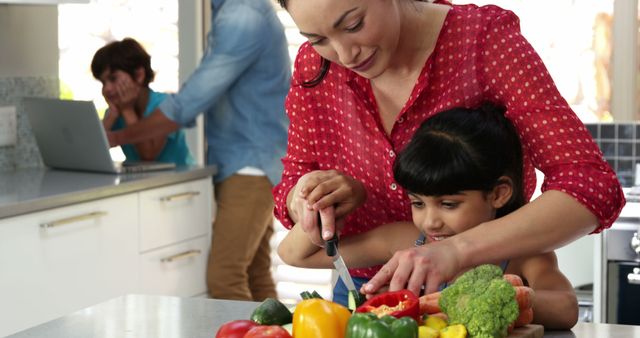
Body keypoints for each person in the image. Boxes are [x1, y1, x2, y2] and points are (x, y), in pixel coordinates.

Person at [272, 0, 625, 299]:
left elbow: (590, 187)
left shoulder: (483, 41)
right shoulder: (315, 66)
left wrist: (456, 251)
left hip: (480, 286)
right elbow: (292, 190)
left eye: (354, 24)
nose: (345, 55)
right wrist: (312, 196)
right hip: (363, 292)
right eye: (317, 38)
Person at [277, 103, 578, 329]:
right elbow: (294, 255)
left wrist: (504, 298)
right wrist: (324, 200)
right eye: (418, 203)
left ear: (499, 194)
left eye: (448, 204)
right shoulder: (409, 240)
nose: (430, 221)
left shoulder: (521, 254)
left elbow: (567, 308)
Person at [106, 0, 291, 301]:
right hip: (251, 160)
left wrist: (117, 137)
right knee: (255, 274)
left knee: (224, 277)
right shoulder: (232, 11)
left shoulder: (241, 15)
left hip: (250, 165)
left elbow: (190, 101)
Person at [91, 38, 195, 166]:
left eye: (113, 79)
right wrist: (112, 115)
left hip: (180, 179)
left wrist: (127, 110)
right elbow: (92, 150)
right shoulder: (116, 112)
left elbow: (148, 155)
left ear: (139, 75)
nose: (107, 88)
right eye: (103, 82)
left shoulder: (163, 105)